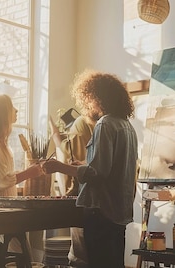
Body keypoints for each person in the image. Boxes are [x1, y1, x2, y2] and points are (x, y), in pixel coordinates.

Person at [42, 70, 138, 267]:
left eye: (89, 99)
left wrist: (60, 167)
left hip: (102, 211)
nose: (88, 105)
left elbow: (97, 174)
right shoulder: (127, 127)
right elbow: (111, 169)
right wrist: (83, 165)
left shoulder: (105, 124)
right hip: (119, 212)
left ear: (98, 98)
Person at [0, 94, 45, 255]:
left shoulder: (3, 145)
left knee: (21, 256)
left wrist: (29, 171)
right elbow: (1, 182)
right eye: (11, 106)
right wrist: (30, 172)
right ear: (2, 113)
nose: (17, 110)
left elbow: (6, 177)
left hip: (8, 215)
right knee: (13, 257)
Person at [49, 114, 94, 267]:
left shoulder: (81, 127)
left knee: (81, 256)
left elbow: (66, 150)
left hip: (84, 202)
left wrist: (54, 132)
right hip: (103, 209)